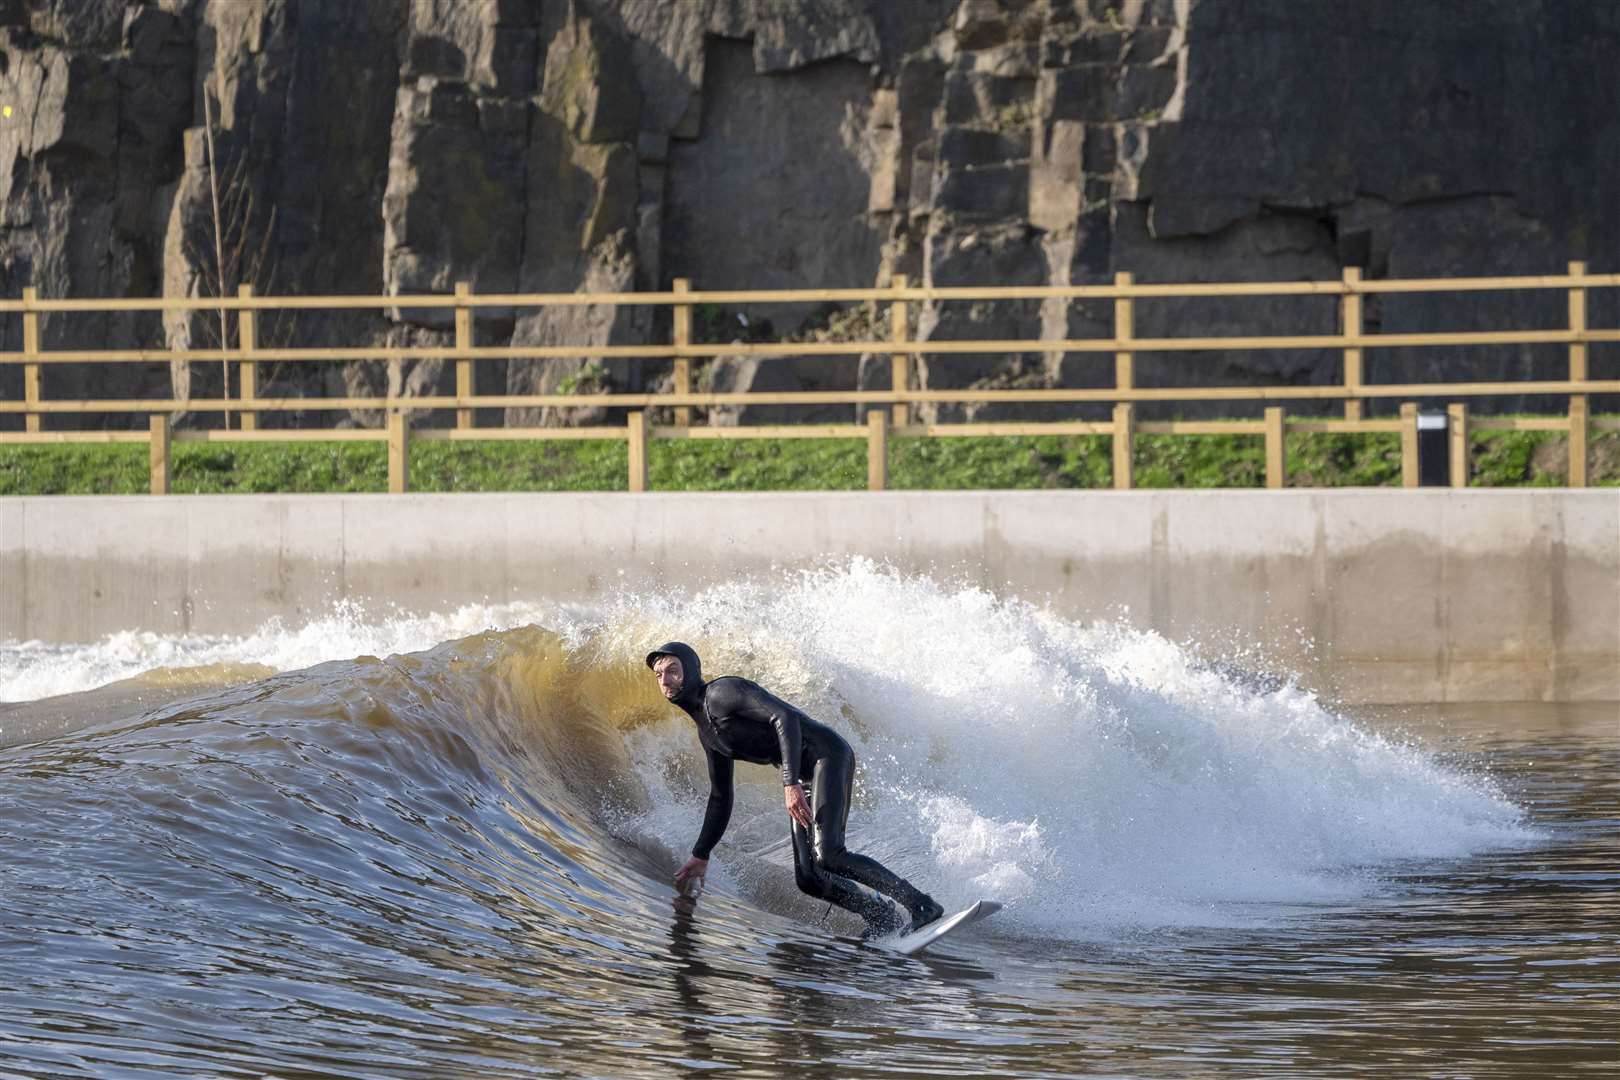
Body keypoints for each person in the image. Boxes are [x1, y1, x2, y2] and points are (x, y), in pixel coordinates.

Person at [646, 641, 944, 938]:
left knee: (831, 855)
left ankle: (921, 905)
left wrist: (789, 783)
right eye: (659, 675)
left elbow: (783, 718)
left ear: (692, 670)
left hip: (827, 756)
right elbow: (721, 797)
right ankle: (881, 915)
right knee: (809, 877)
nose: (666, 680)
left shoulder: (722, 692)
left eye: (673, 670)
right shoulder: (708, 733)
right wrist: (701, 853)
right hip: (804, 775)